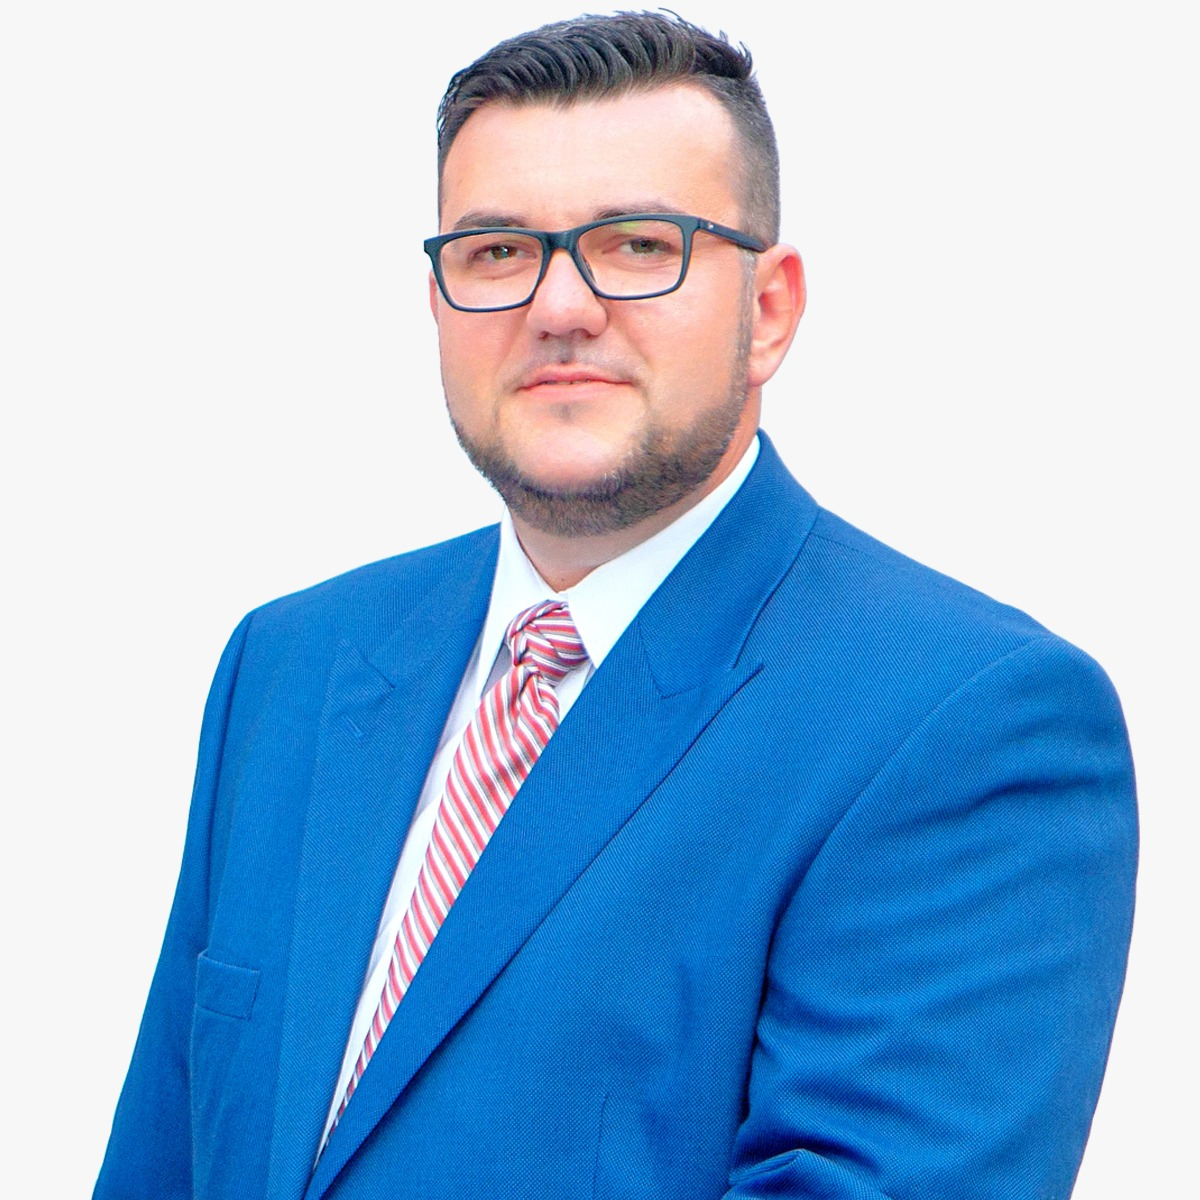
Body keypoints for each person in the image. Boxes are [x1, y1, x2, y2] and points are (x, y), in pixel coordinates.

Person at [94, 12, 1137, 1200]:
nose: (560, 306)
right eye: (497, 251)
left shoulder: (964, 725)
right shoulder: (291, 666)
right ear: (436, 300)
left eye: (640, 244)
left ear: (770, 309)